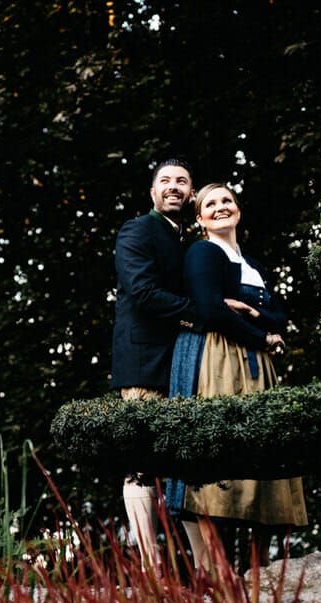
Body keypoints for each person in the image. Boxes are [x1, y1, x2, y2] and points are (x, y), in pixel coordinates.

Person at [165, 183, 307, 572]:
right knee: (218, 453)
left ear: (238, 210)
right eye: (210, 204)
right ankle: (215, 569)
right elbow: (211, 310)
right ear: (200, 218)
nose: (220, 207)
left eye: (226, 200)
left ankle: (258, 572)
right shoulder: (203, 252)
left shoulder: (253, 264)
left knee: (264, 453)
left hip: (257, 363)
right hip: (218, 357)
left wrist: (256, 314)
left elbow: (281, 316)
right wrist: (263, 336)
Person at [111, 158, 204, 569]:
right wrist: (201, 314)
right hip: (144, 360)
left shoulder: (189, 240)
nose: (173, 186)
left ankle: (204, 568)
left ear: (191, 193)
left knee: (186, 461)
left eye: (182, 181)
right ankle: (150, 568)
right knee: (143, 463)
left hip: (184, 360)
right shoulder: (137, 230)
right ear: (152, 192)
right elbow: (143, 291)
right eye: (165, 181)